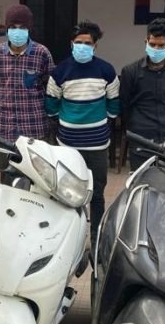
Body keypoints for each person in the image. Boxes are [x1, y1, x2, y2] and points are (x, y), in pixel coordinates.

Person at [45, 20, 120, 247]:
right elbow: (51, 104)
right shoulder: (60, 71)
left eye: (88, 43)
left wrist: (101, 121)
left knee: (97, 194)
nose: (83, 46)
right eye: (79, 42)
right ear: (71, 43)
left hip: (97, 146)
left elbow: (114, 103)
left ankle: (96, 239)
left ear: (95, 46)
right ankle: (69, 240)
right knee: (67, 194)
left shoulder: (106, 70)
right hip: (68, 145)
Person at [0, 4, 54, 184]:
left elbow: (51, 92)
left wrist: (50, 126)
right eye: (13, 27)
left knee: (36, 181)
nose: (17, 31)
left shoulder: (41, 53)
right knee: (7, 180)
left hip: (34, 129)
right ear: (7, 29)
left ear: (29, 28)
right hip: (4, 129)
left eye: (22, 27)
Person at [120, 18, 165, 170]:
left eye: (161, 45)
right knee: (142, 179)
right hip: (140, 138)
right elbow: (124, 105)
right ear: (146, 42)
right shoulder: (130, 71)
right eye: (152, 44)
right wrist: (136, 125)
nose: (156, 49)